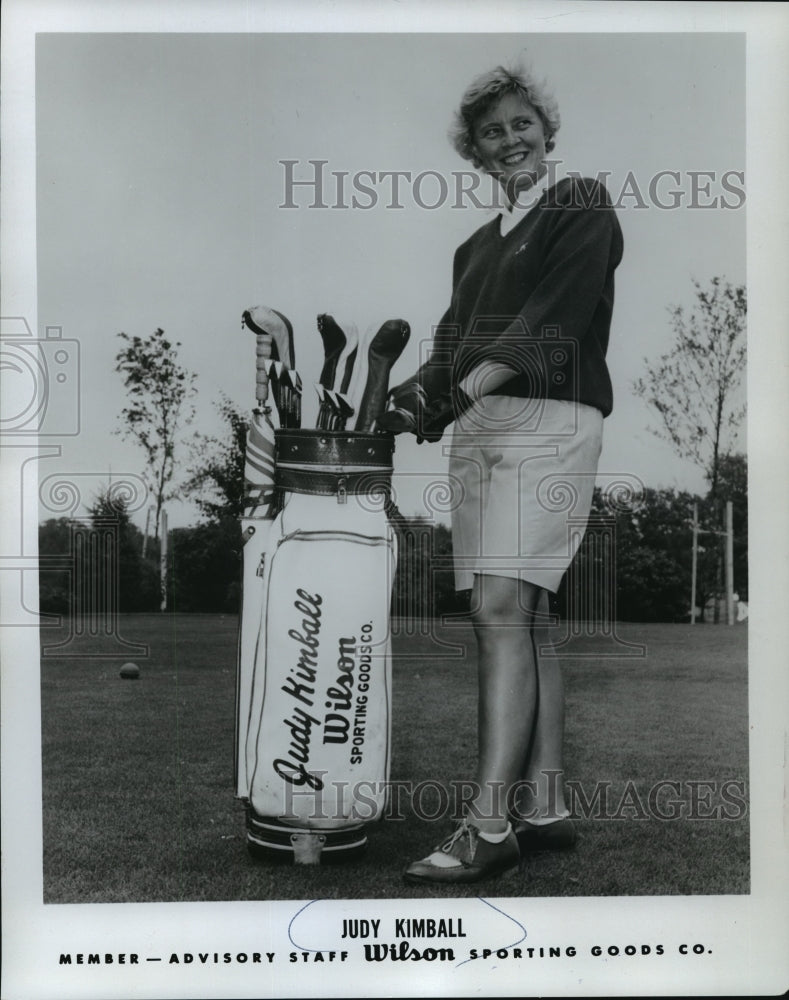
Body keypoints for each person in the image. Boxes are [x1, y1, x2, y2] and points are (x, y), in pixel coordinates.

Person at [380, 64, 624, 884]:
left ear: (546, 132)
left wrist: (460, 390)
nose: (511, 138)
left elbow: (545, 322)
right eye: (493, 131)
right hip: (482, 431)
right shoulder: (472, 248)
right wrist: (404, 403)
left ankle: (487, 826)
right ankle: (544, 805)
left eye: (522, 123)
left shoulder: (579, 203)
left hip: (549, 419)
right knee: (527, 615)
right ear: (475, 151)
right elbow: (450, 346)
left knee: (498, 607)